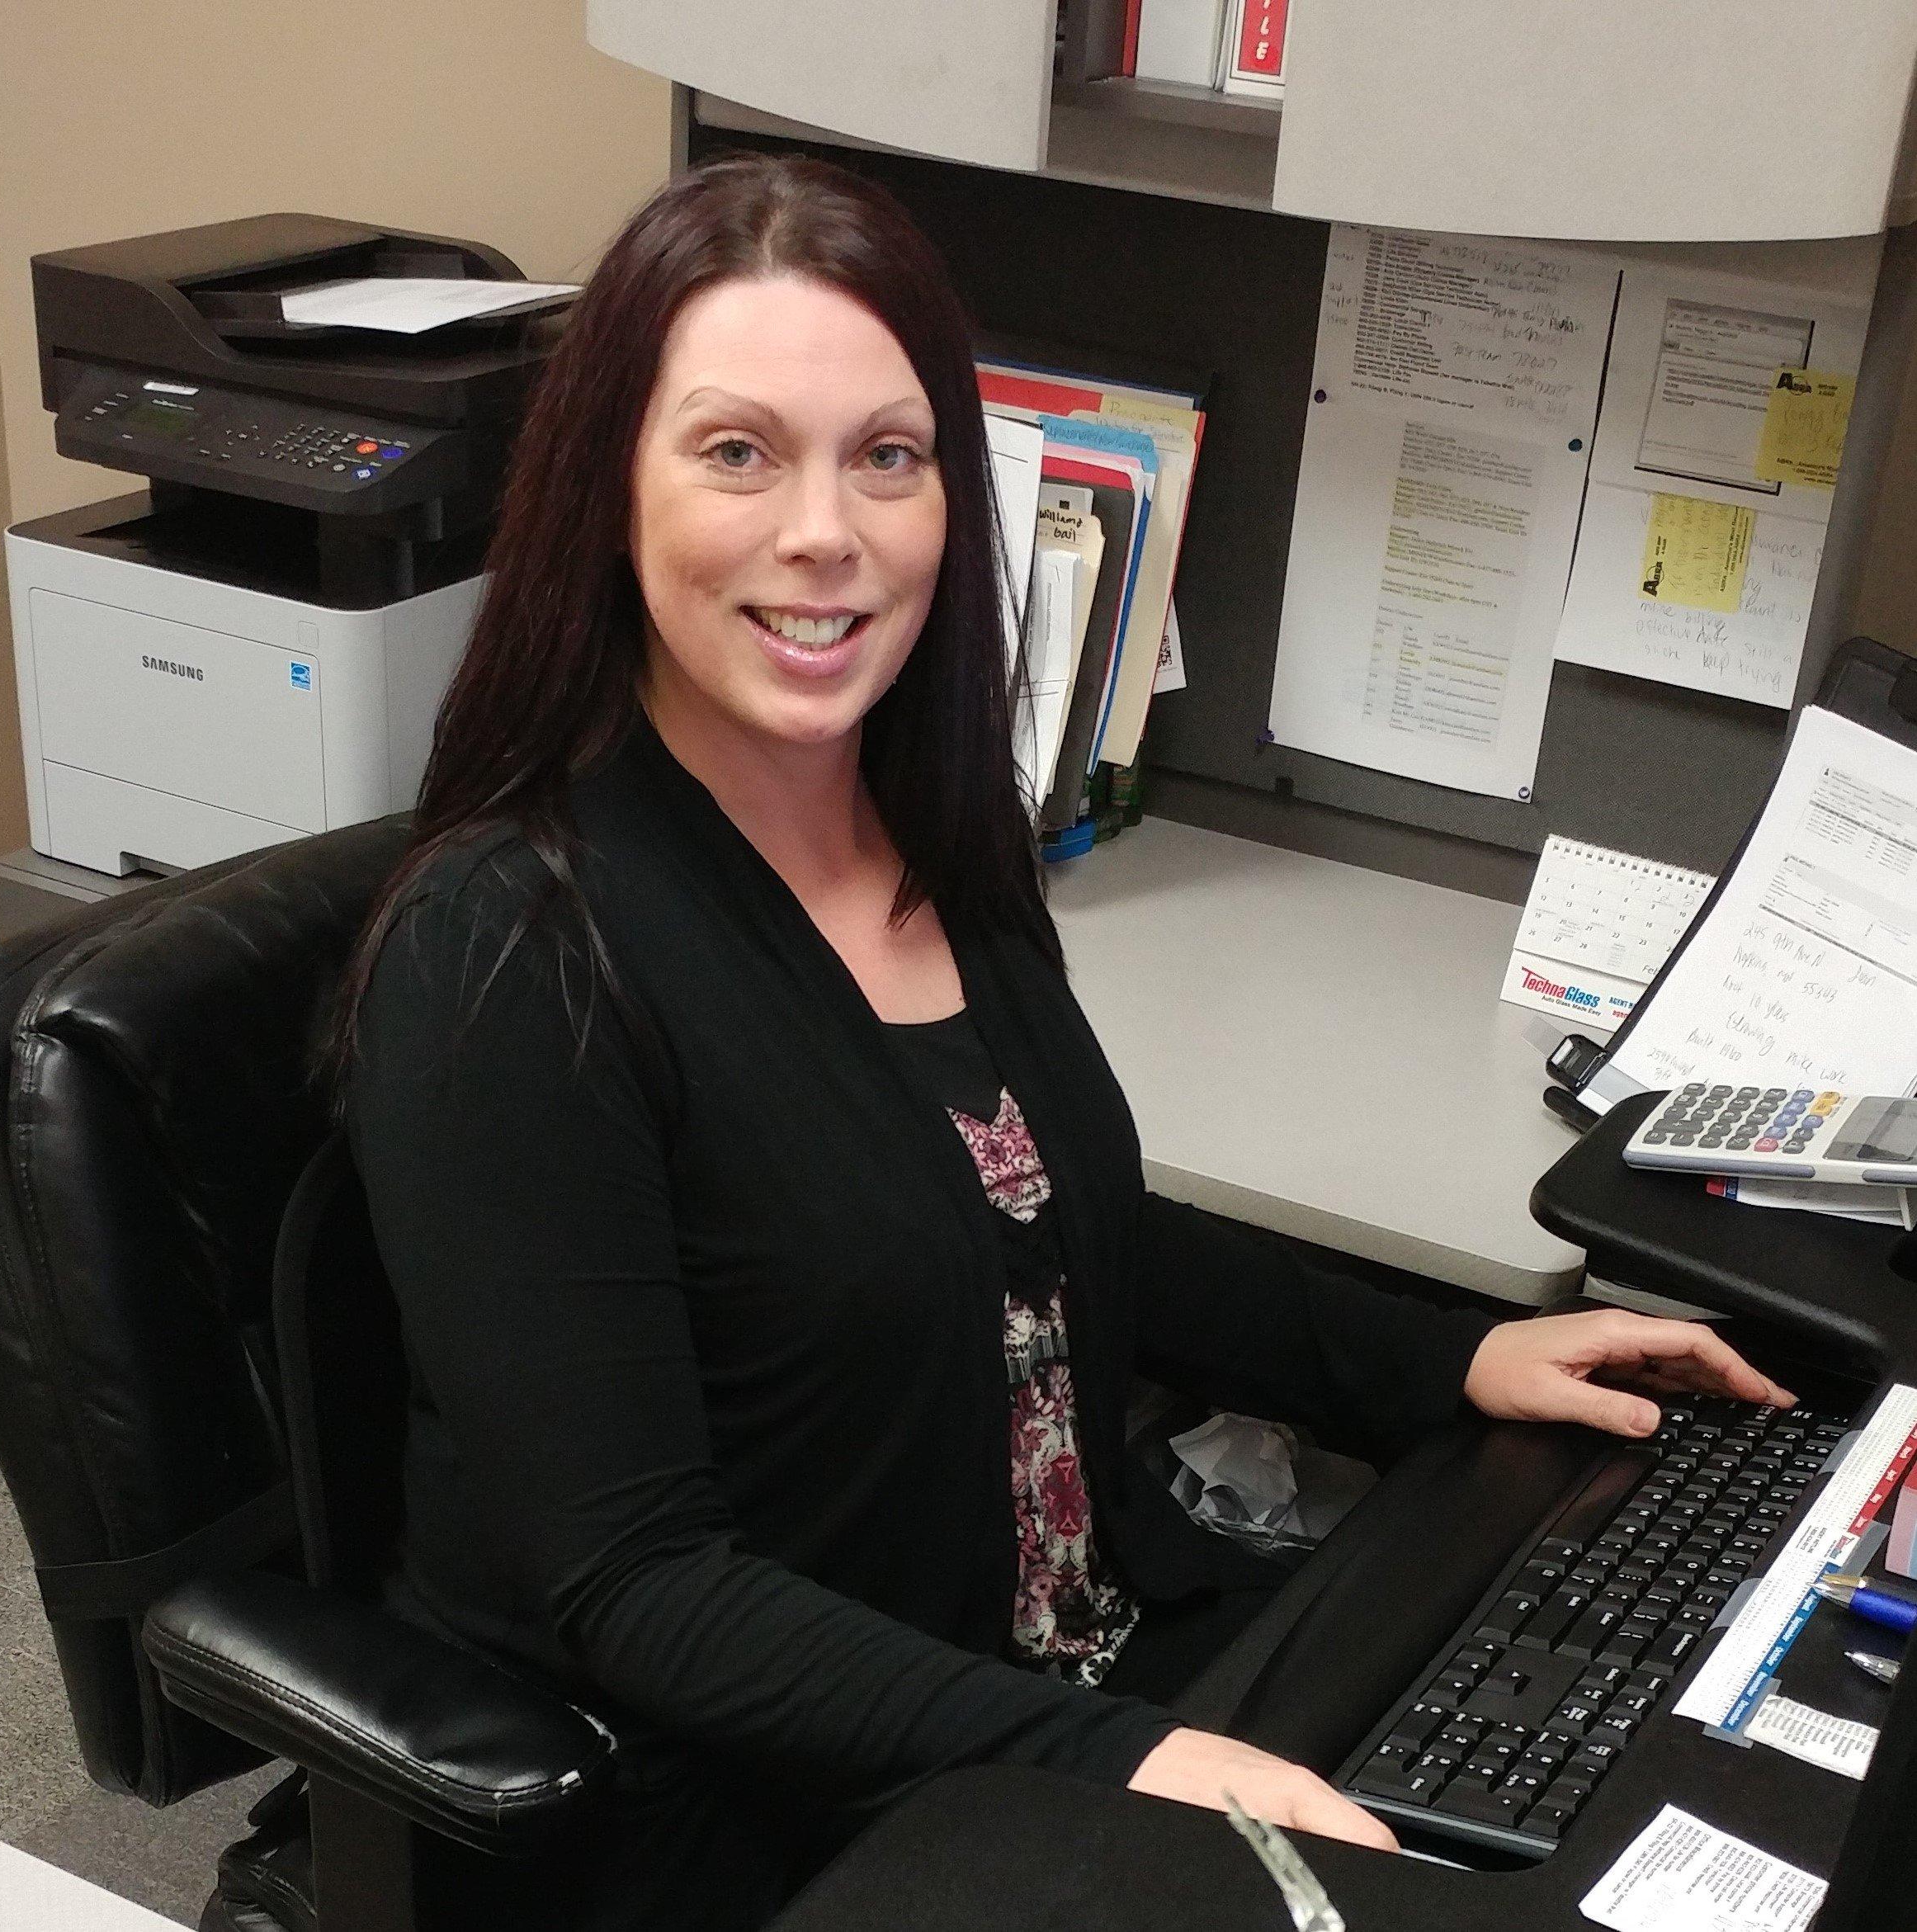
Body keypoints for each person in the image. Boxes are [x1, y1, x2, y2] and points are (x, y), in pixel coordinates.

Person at [337, 154, 1793, 1930]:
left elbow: (1054, 1229)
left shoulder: (935, 838)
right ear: (606, 493)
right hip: (767, 1808)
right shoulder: (509, 957)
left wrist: (1457, 1360)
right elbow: (640, 1586)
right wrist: (1122, 1768)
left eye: (888, 455)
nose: (826, 532)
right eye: (737, 452)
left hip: (1056, 1686)